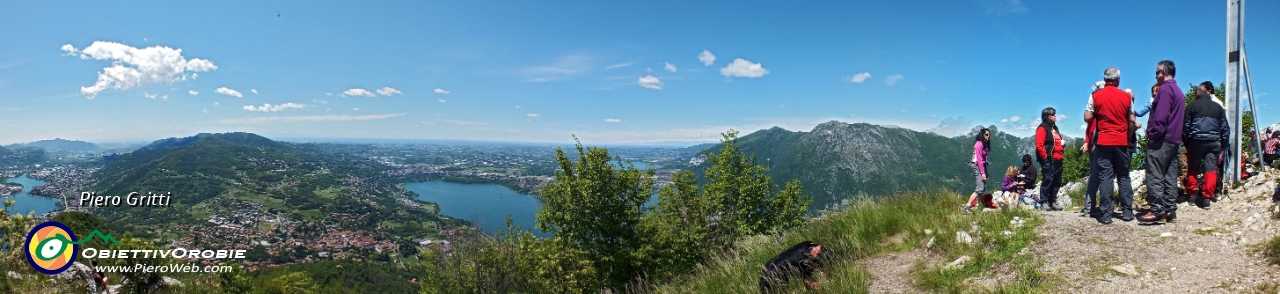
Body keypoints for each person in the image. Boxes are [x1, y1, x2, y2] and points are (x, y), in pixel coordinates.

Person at [1139, 60, 1186, 224]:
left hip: (1161, 140)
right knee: (1170, 176)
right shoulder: (1179, 91)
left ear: (1164, 72)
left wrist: (1152, 134)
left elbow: (1160, 117)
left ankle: (1157, 211)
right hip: (1174, 140)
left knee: (1155, 174)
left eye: (1157, 71)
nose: (1155, 75)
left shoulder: (1165, 89)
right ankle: (1170, 210)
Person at [1092, 67, 1137, 224]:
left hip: (1103, 140)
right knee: (1123, 175)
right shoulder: (1126, 97)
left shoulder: (1096, 96)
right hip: (1121, 140)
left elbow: (1087, 117)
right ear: (1118, 79)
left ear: (1104, 80)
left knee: (1106, 176)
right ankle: (1127, 212)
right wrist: (1128, 136)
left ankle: (1105, 214)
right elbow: (1132, 120)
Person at [1183, 80, 1230, 210]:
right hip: (1213, 141)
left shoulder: (1191, 106)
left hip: (1196, 141)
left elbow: (1185, 127)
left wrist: (1187, 143)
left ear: (1198, 93)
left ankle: (1192, 194)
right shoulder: (1218, 107)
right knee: (1210, 169)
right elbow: (1225, 128)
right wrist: (1223, 144)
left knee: (1193, 168)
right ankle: (1207, 198)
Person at [1036, 107, 1065, 211]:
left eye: (1055, 114)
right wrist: (1045, 159)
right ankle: (1044, 201)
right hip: (1049, 159)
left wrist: (1062, 145)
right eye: (1053, 114)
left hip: (1058, 158)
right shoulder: (1042, 127)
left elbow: (1055, 142)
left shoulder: (1054, 128)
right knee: (1048, 179)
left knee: (1057, 180)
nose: (1055, 116)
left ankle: (1052, 201)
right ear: (1047, 116)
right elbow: (1039, 145)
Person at [964, 128, 992, 214]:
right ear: (982, 135)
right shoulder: (979, 144)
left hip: (981, 165)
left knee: (983, 186)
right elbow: (979, 159)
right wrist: (983, 173)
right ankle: (966, 207)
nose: (988, 136)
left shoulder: (984, 144)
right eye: (986, 134)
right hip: (977, 165)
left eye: (989, 134)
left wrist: (985, 171)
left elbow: (983, 158)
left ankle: (978, 205)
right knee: (979, 188)